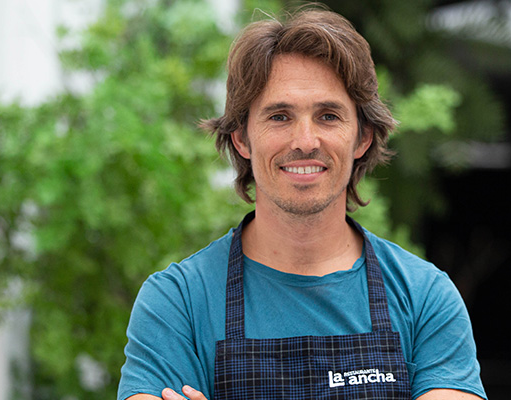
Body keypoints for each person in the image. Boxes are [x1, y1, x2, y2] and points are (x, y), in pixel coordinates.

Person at [117, 7, 486, 400]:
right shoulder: (178, 302)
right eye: (279, 117)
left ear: (362, 137)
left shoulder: (425, 297)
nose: (305, 141)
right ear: (241, 138)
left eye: (328, 116)